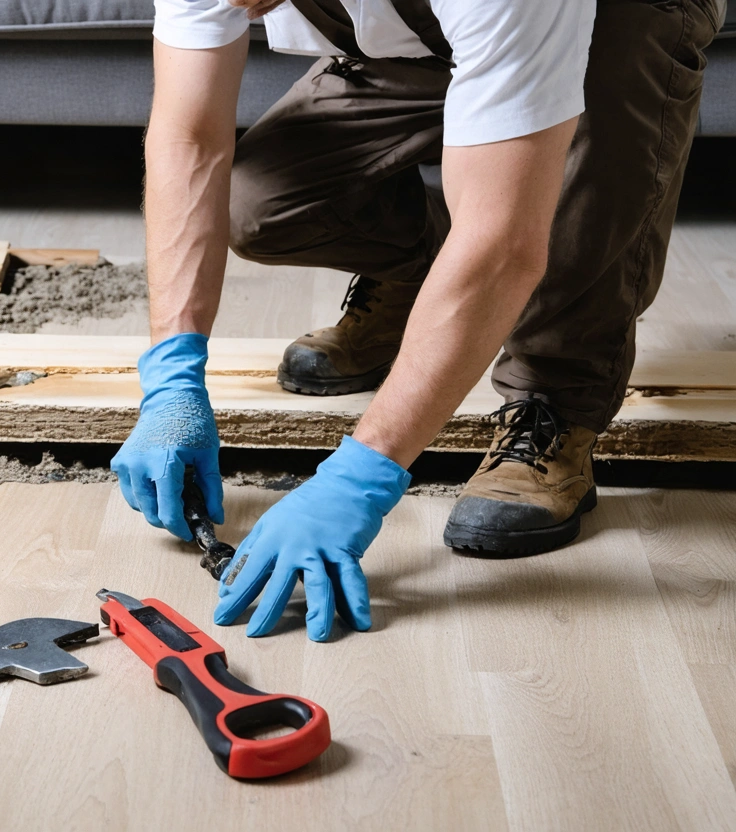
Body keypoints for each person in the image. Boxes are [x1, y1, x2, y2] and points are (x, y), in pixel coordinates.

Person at [111, 0, 721, 641]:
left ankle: (556, 400)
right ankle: (427, 288)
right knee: (259, 202)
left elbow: (505, 244)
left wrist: (359, 478)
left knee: (561, 197)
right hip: (437, 43)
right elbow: (188, 137)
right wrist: (171, 379)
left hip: (614, 24)